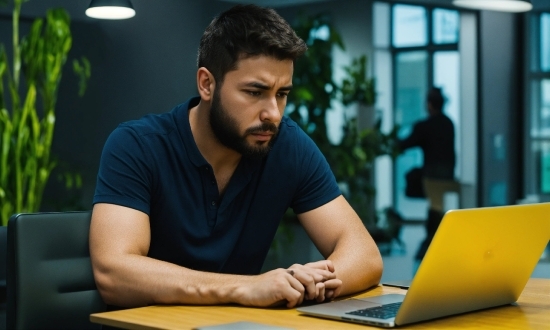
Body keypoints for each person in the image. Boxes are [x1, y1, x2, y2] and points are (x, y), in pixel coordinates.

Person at [90, 4, 383, 310]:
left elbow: (363, 255)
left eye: (282, 94)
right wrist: (246, 287)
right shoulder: (137, 145)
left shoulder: (287, 145)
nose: (273, 113)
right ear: (207, 84)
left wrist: (305, 285)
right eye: (255, 92)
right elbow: (114, 273)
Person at [398, 87, 456, 266]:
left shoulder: (425, 126)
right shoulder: (449, 123)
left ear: (429, 105)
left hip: (433, 177)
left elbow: (406, 143)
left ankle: (429, 244)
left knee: (433, 205)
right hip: (448, 176)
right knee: (436, 207)